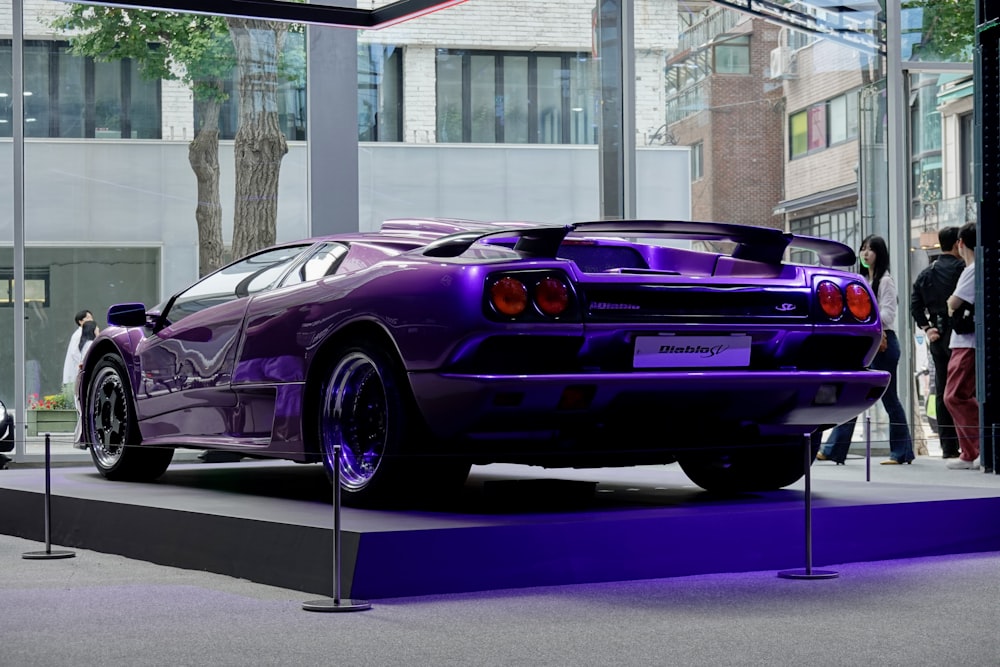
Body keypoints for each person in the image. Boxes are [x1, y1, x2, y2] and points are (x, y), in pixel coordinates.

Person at [818, 234, 915, 465]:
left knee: (889, 399)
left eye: (870, 249)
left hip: (883, 343)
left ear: (879, 254)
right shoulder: (860, 281)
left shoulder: (885, 281)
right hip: (865, 342)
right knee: (852, 394)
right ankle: (834, 449)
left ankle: (901, 452)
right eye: (863, 249)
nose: (865, 253)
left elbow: (888, 314)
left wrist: (863, 314)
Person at [910, 226, 964, 458]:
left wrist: (928, 327)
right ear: (957, 244)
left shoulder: (928, 272)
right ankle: (971, 445)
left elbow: (914, 304)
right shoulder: (964, 269)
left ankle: (948, 447)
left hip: (938, 337)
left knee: (943, 391)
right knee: (964, 391)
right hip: (962, 336)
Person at [944, 222, 979, 470]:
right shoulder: (972, 268)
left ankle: (977, 449)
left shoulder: (973, 270)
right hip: (966, 342)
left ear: (960, 243)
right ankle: (970, 452)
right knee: (959, 395)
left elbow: (953, 303)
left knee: (954, 396)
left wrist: (949, 303)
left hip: (966, 343)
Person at [62, 309, 93, 394]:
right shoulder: (79, 334)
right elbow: (75, 353)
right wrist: (84, 363)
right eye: (87, 318)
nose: (91, 320)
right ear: (80, 321)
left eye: (91, 318)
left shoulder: (85, 334)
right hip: (75, 373)